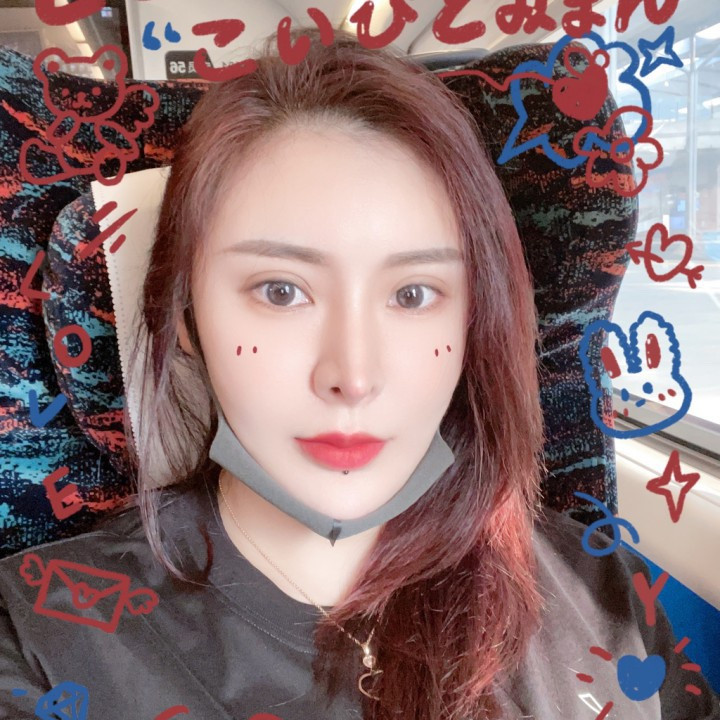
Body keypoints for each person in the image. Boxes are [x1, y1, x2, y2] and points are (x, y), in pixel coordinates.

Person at [0, 28, 718, 720]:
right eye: (281, 291)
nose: (354, 375)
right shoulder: (45, 641)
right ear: (186, 317)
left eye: (413, 295)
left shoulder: (607, 598)